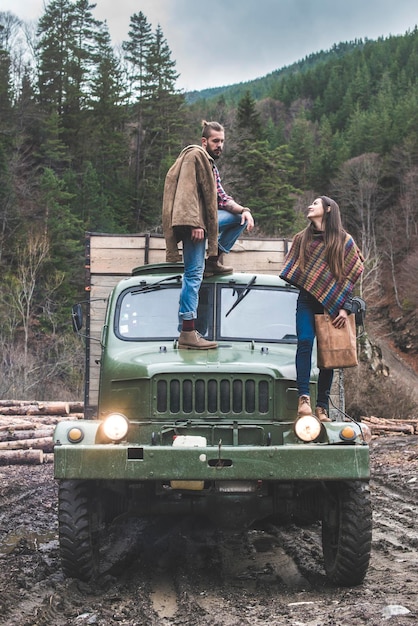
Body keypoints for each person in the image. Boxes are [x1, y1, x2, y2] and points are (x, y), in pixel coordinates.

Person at [162, 120, 254, 349]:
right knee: (193, 276)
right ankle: (188, 331)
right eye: (215, 141)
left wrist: (245, 211)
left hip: (201, 223)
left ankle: (213, 261)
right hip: (193, 224)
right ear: (205, 141)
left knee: (238, 218)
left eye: (222, 141)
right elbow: (187, 192)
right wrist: (195, 223)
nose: (220, 145)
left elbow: (222, 199)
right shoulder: (195, 156)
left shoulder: (210, 165)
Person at [280, 196, 364, 422]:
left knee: (330, 353)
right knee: (305, 341)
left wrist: (345, 309)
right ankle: (304, 398)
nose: (310, 206)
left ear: (328, 209)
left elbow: (351, 275)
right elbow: (294, 269)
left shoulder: (344, 240)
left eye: (315, 203)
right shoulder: (301, 239)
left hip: (334, 306)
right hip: (307, 301)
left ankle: (322, 406)